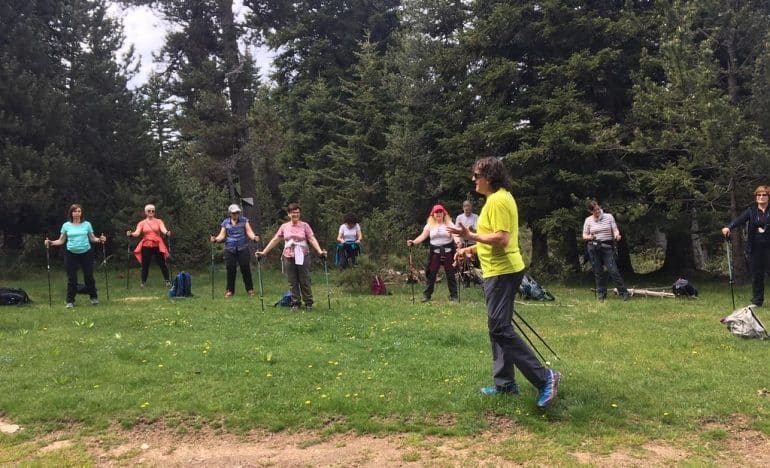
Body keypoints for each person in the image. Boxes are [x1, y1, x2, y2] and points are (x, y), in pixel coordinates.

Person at [449, 157, 560, 410]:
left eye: (477, 175)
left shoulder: (498, 200)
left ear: (489, 176)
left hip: (502, 273)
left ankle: (545, 378)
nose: (473, 180)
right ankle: (505, 385)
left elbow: (502, 238)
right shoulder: (497, 198)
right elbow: (496, 239)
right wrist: (471, 250)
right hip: (496, 271)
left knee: (499, 327)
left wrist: (470, 236)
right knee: (496, 326)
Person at [257, 203, 327, 310]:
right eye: (293, 212)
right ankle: (295, 303)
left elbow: (312, 238)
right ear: (289, 214)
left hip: (303, 255)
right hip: (288, 256)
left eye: (297, 212)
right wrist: (264, 252)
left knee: (304, 280)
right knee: (292, 281)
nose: (296, 214)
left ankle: (308, 302)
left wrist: (319, 251)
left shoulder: (305, 226)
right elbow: (276, 239)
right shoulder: (284, 227)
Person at [44, 204, 107, 308]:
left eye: (79, 211)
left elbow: (92, 238)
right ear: (71, 213)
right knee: (72, 278)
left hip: (86, 252)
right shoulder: (66, 225)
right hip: (71, 253)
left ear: (81, 213)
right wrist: (50, 242)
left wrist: (100, 239)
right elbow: (61, 240)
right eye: (75, 211)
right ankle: (70, 301)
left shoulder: (87, 224)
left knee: (89, 276)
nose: (77, 213)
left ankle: (93, 297)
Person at [722, 185, 770, 306]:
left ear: (768, 197)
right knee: (756, 275)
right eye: (759, 195)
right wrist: (729, 227)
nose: (761, 197)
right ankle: (757, 301)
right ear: (756, 197)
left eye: (764, 195)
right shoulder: (752, 211)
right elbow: (739, 220)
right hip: (755, 248)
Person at [406, 204, 461, 302]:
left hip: (448, 252)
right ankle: (427, 296)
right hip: (435, 252)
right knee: (431, 274)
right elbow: (422, 236)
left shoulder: (449, 224)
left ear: (444, 213)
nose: (439, 214)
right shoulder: (430, 225)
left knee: (450, 274)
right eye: (436, 212)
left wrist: (457, 242)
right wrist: (413, 242)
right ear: (433, 214)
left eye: (440, 212)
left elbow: (455, 235)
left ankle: (454, 296)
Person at [582, 200, 630, 302]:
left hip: (607, 247)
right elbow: (584, 235)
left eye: (598, 209)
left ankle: (624, 292)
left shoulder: (609, 217)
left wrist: (617, 235)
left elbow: (615, 229)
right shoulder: (588, 220)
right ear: (591, 211)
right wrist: (590, 237)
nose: (598, 211)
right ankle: (601, 294)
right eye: (595, 211)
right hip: (594, 248)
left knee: (613, 270)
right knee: (598, 272)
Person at [210, 204, 260, 297]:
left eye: (237, 212)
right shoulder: (225, 222)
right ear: (230, 213)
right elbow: (222, 235)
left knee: (245, 268)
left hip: (243, 247)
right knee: (231, 269)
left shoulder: (244, 220)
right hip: (230, 249)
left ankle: (250, 289)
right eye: (233, 213)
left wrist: (254, 237)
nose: (235, 214)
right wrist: (216, 239)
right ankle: (230, 290)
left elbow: (249, 232)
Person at [127, 204, 171, 288]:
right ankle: (143, 282)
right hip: (146, 245)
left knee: (162, 263)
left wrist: (166, 232)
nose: (151, 212)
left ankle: (167, 281)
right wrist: (131, 234)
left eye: (153, 211)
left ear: (154, 212)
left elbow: (163, 229)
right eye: (149, 211)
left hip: (157, 244)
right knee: (145, 265)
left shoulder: (159, 221)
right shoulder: (142, 223)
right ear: (145, 212)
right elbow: (137, 233)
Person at [455, 200, 480, 285]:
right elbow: (456, 230)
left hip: (473, 242)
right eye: (466, 209)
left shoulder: (476, 217)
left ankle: (477, 280)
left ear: (471, 208)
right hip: (463, 242)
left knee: (475, 262)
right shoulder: (459, 217)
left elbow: (479, 229)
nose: (467, 211)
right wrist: (463, 231)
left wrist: (471, 229)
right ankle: (465, 281)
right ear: (463, 208)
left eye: (469, 209)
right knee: (463, 263)